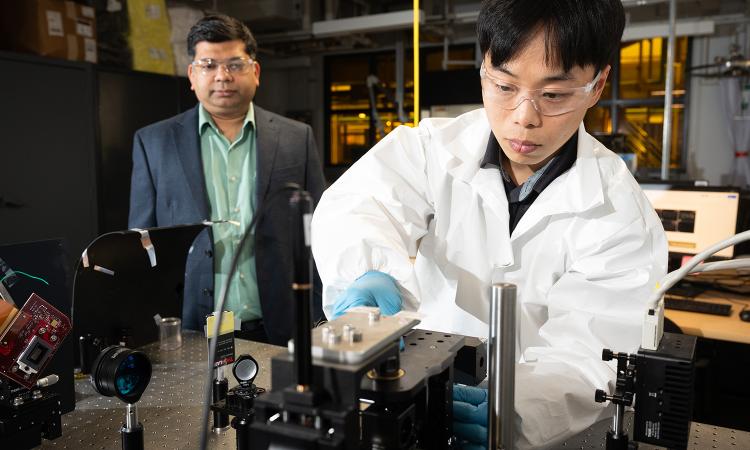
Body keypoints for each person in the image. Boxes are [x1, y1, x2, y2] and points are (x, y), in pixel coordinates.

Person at [311, 0, 667, 448]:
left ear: (597, 86)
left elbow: (592, 350)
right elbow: (357, 205)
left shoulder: (619, 211)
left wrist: (518, 411)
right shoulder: (430, 149)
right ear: (483, 70)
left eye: (553, 95)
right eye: (503, 85)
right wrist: (365, 268)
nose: (524, 116)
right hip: (416, 396)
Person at [129, 14, 326, 346]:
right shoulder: (155, 143)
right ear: (192, 75)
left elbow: (321, 231)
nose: (222, 76)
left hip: (281, 326)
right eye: (208, 65)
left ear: (255, 71)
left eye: (235, 64)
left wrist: (321, 315)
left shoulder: (296, 138)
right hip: (192, 327)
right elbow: (141, 243)